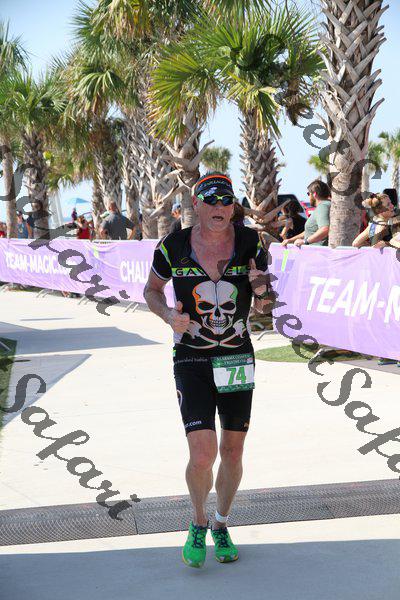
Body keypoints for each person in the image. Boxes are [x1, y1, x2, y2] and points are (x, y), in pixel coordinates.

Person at [144, 172, 273, 569]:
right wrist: (169, 316)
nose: (220, 207)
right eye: (212, 200)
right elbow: (151, 290)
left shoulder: (251, 243)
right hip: (192, 357)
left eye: (226, 201)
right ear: (196, 205)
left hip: (236, 357)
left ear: (233, 207)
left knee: (233, 450)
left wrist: (262, 290)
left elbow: (266, 305)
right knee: (203, 454)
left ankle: (221, 523)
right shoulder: (173, 246)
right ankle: (198, 522)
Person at [282, 180, 331, 246]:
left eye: (308, 194)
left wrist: (305, 241)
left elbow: (325, 229)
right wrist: (290, 240)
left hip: (318, 250)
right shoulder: (326, 205)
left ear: (314, 194)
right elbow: (309, 232)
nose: (308, 196)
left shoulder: (323, 206)